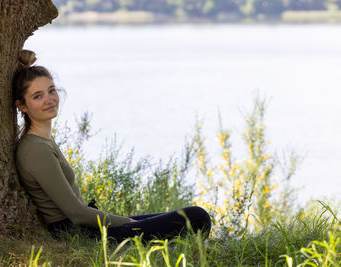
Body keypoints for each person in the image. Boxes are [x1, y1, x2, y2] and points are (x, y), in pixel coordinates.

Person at [13, 49, 211, 242]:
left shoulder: (43, 141)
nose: (49, 100)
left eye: (51, 91)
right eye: (37, 96)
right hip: (81, 233)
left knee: (178, 217)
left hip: (86, 226)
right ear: (22, 105)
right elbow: (76, 213)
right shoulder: (35, 149)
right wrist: (127, 223)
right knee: (196, 216)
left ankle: (174, 247)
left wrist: (129, 223)